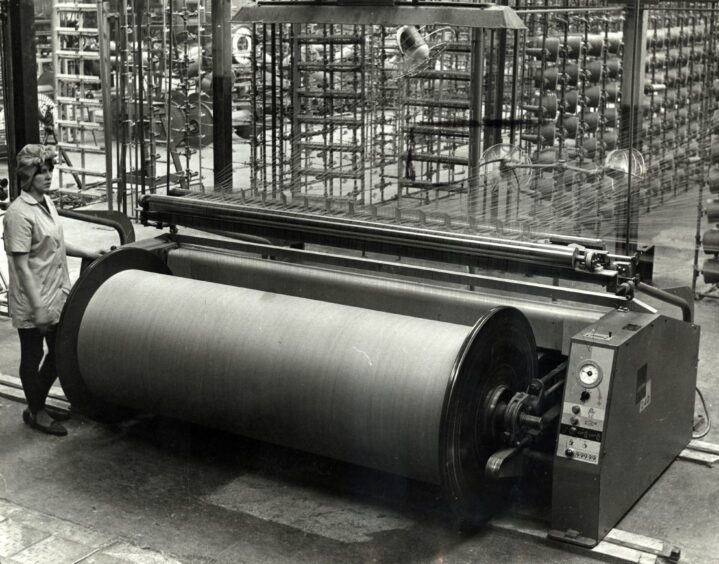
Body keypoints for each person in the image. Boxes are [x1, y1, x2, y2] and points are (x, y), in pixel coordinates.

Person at [2, 144, 102, 436]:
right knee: (32, 358)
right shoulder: (18, 214)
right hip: (33, 299)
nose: (47, 177)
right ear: (27, 176)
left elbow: (54, 244)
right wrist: (38, 307)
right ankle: (37, 412)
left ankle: (36, 405)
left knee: (60, 353)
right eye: (40, 172)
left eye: (49, 171)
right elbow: (21, 266)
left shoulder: (46, 203)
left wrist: (88, 252)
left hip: (55, 293)